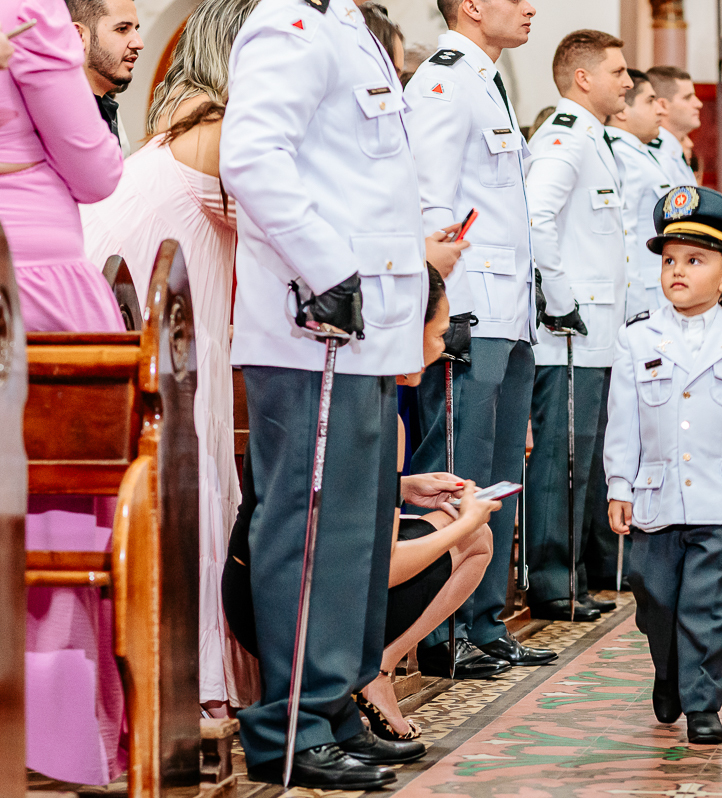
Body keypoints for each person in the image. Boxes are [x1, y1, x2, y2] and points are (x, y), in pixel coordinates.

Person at [220, 0, 431, 784]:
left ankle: (335, 700)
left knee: (358, 531)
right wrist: (325, 269)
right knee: (310, 531)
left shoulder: (343, 23)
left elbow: (373, 180)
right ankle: (291, 725)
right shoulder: (289, 23)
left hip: (365, 327)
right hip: (316, 324)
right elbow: (251, 157)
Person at [223, 267, 500, 742]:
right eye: (436, 335)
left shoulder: (340, 388)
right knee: (474, 537)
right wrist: (464, 523)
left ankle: (377, 670)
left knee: (464, 530)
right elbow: (383, 569)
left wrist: (402, 487)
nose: (442, 348)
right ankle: (375, 670)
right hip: (295, 614)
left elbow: (328, 505)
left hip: (253, 592)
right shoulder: (379, 418)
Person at [81, 0, 263, 717]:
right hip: (152, 319)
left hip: (167, 314)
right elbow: (290, 217)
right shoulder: (217, 127)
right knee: (194, 474)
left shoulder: (190, 114)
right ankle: (193, 688)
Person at [401, 0, 559, 678]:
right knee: (457, 467)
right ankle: (440, 630)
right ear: (470, 6)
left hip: (508, 310)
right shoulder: (442, 80)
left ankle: (483, 620)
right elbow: (433, 204)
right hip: (467, 311)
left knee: (498, 474)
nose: (530, 7)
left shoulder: (485, 79)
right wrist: (440, 312)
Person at [605, 185, 722, 745]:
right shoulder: (637, 338)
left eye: (694, 260)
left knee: (710, 607)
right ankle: (670, 670)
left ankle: (702, 701)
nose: (677, 271)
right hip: (656, 495)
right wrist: (619, 484)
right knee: (655, 599)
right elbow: (624, 421)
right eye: (669, 261)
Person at [1, 0, 126, 783]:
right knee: (55, 506)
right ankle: (48, 732)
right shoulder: (29, 10)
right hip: (31, 282)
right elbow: (98, 168)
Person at [524, 29, 633, 623]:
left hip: (594, 333)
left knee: (581, 459)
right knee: (561, 460)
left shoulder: (594, 138)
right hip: (568, 331)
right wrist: (560, 302)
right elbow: (535, 215)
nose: (628, 81)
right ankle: (552, 582)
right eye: (618, 71)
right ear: (583, 78)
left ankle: (573, 576)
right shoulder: (566, 136)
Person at [607, 69, 671, 314]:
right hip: (644, 292)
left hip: (657, 288)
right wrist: (636, 308)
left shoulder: (640, 153)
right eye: (650, 101)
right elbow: (625, 232)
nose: (660, 110)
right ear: (623, 109)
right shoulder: (623, 156)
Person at [65, 0, 142, 155]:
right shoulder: (59, 116)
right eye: (122, 29)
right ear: (79, 36)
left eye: (136, 29)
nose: (139, 43)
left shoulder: (107, 108)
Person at [644, 65, 700, 187]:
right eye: (687, 97)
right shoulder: (655, 154)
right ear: (663, 105)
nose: (698, 104)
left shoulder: (676, 151)